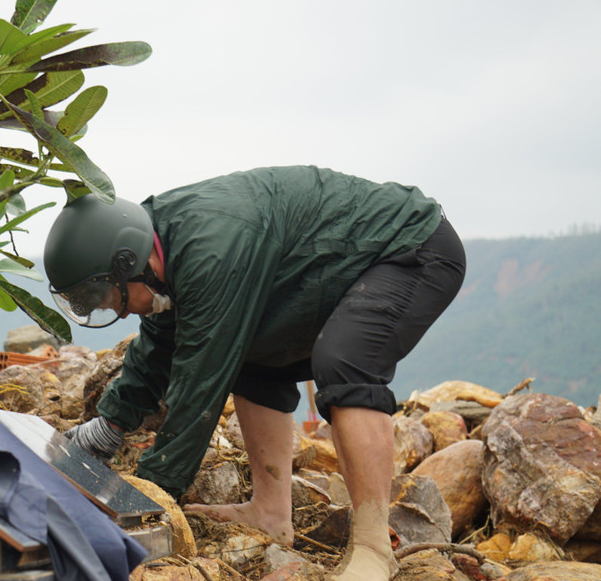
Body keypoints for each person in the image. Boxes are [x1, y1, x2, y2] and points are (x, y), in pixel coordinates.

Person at [44, 165, 466, 581]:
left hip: (412, 248)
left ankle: (374, 548)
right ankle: (270, 514)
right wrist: (108, 426)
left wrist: (150, 498)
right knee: (251, 351)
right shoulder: (159, 247)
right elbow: (158, 343)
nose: (108, 309)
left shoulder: (210, 252)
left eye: (106, 296)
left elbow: (199, 387)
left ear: (128, 262)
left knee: (343, 360)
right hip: (328, 268)